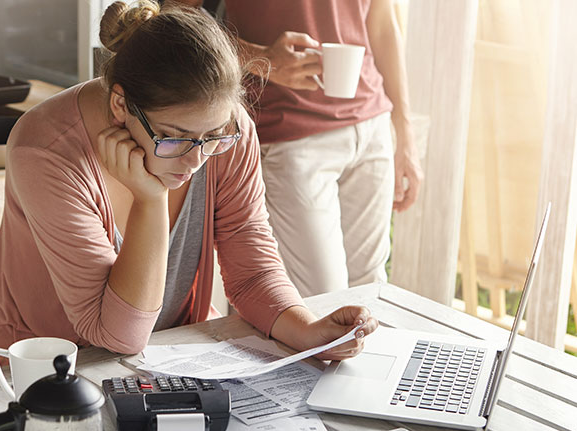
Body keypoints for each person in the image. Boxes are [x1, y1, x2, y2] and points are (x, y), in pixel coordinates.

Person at [0, 1, 378, 373]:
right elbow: (116, 336)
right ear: (120, 106)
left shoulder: (230, 133)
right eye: (175, 137)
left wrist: (306, 329)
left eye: (214, 134)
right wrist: (150, 198)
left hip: (167, 362)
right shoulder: (46, 150)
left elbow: (250, 266)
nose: (197, 159)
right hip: (39, 375)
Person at [181, 0, 423, 298]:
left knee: (372, 291)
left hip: (372, 128)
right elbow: (178, 16)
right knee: (324, 300)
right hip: (292, 137)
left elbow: (382, 21)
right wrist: (261, 57)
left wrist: (404, 131)